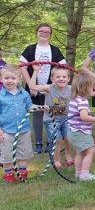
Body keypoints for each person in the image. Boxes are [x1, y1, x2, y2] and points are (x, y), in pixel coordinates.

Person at [19, 23, 66, 154]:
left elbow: (63, 67)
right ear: (37, 32)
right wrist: (30, 86)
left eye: (47, 32)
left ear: (50, 35)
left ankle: (51, 142)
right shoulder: (30, 49)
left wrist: (56, 84)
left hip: (50, 88)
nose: (44, 34)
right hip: (33, 86)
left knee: (52, 114)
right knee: (37, 114)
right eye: (41, 31)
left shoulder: (55, 50)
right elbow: (22, 67)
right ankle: (38, 143)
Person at [0, 64, 48, 183]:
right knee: (6, 154)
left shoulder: (24, 94)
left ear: (19, 79)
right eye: (6, 78)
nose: (10, 81)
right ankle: (9, 174)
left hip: (23, 130)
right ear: (1, 79)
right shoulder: (0, 96)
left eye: (13, 78)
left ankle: (22, 173)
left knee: (23, 153)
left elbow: (30, 106)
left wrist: (41, 107)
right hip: (6, 131)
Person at [29, 65, 73, 169]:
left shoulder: (71, 88)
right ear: (52, 79)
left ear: (68, 79)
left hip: (67, 119)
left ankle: (68, 155)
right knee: (57, 140)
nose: (61, 78)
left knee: (68, 137)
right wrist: (35, 72)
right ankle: (56, 159)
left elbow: (84, 90)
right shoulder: (49, 88)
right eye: (58, 77)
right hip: (51, 120)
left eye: (64, 76)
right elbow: (32, 87)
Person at [67, 72, 95, 181]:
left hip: (73, 132)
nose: (94, 89)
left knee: (80, 152)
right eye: (92, 87)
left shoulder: (75, 99)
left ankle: (78, 172)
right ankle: (84, 174)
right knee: (90, 151)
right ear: (85, 88)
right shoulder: (83, 101)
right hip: (80, 132)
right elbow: (84, 117)